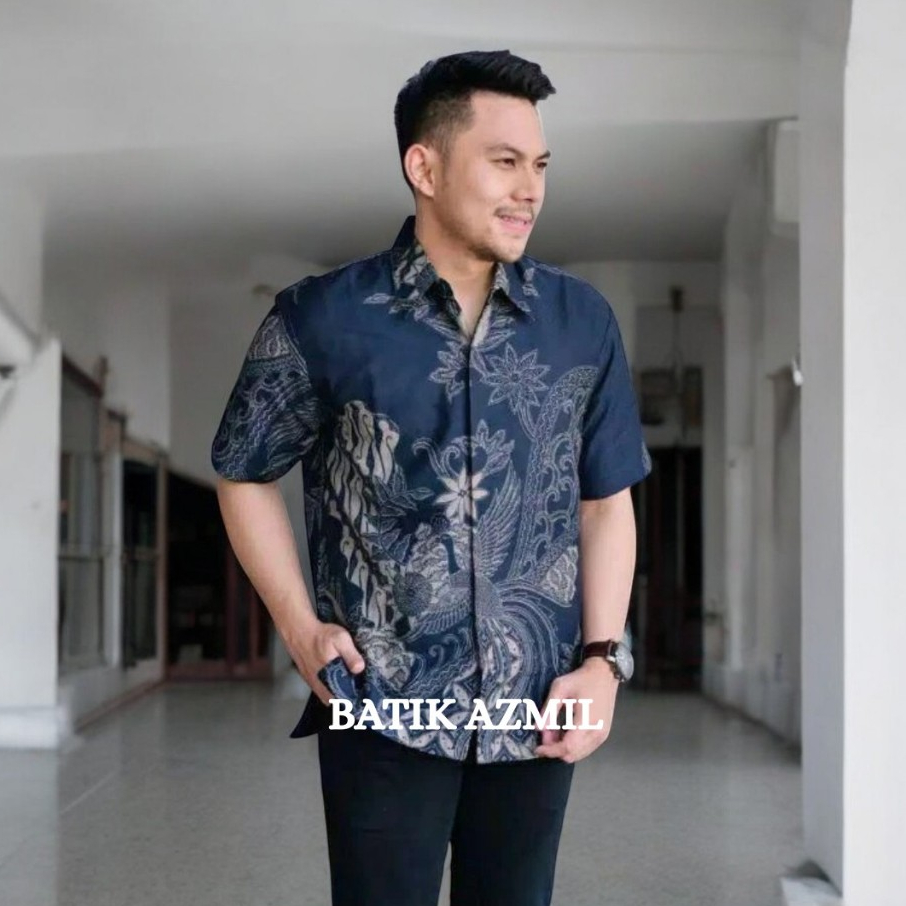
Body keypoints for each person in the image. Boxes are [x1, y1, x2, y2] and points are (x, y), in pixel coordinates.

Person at [212, 49, 651, 906]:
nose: (530, 189)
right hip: (380, 702)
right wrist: (299, 628)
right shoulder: (323, 317)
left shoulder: (581, 323)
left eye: (540, 165)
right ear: (425, 167)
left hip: (534, 707)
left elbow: (606, 503)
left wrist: (603, 660)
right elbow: (242, 471)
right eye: (505, 161)